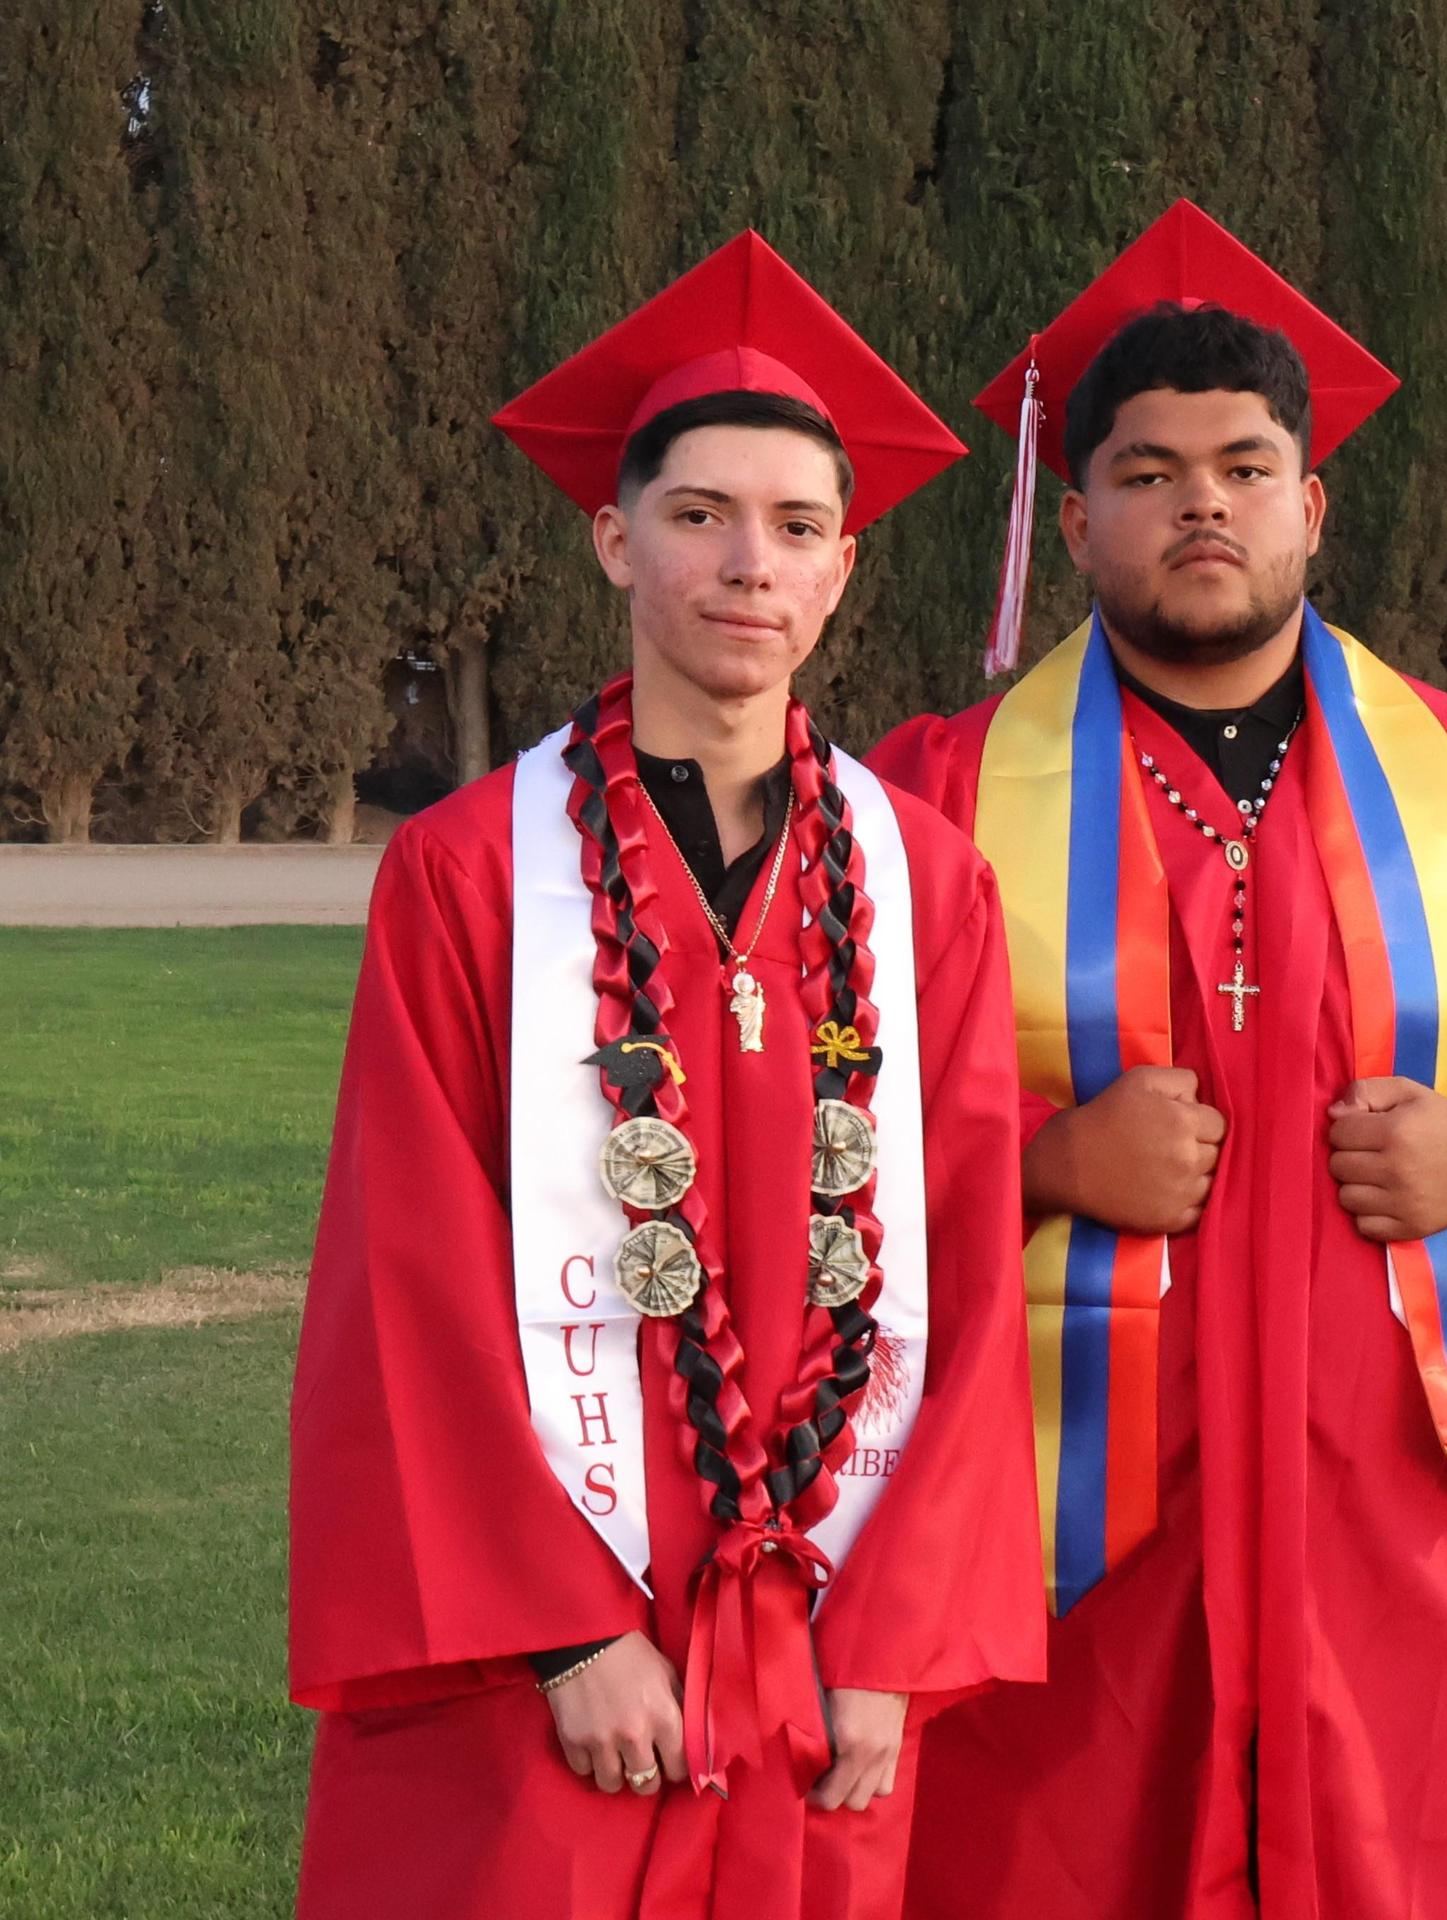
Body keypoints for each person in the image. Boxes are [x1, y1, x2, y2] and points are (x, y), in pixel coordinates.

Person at [868, 200, 1447, 1920]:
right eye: (1148, 468)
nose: (1203, 502)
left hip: (1399, 1517)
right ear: (1078, 514)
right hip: (1071, 1537)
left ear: (1311, 506)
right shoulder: (941, 801)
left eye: (1247, 467)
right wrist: (1042, 1158)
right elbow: (823, 1123)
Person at [289, 231, 1044, 1920]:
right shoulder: (475, 872)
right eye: (699, 514)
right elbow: (402, 1271)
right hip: (552, 1645)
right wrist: (556, 1631)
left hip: (822, 1637)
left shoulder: (928, 888)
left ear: (844, 569)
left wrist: (899, 1645)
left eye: (793, 527)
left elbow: (980, 1257)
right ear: (612, 538)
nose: (745, 563)